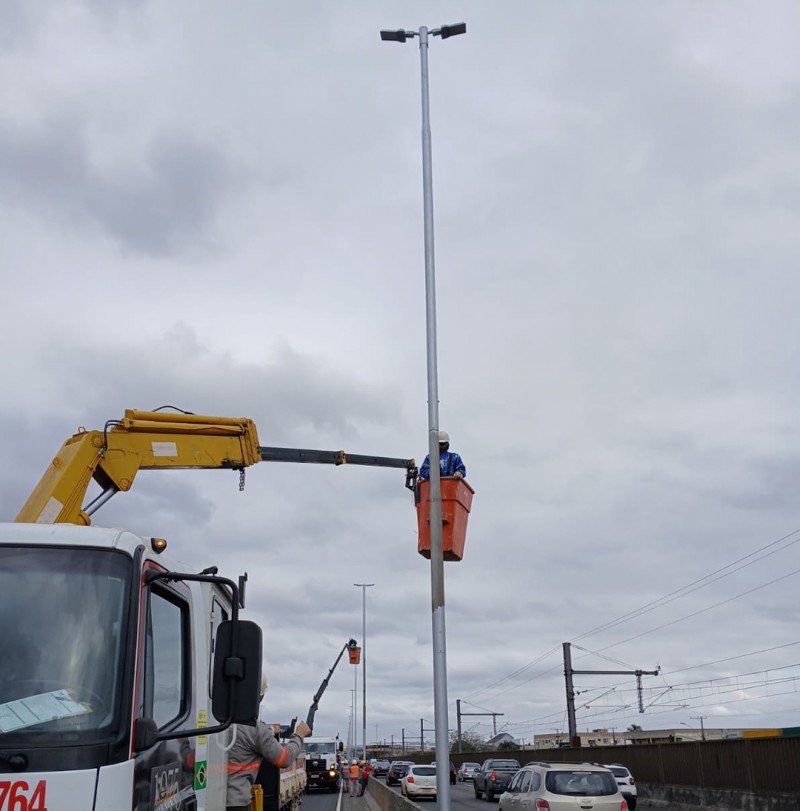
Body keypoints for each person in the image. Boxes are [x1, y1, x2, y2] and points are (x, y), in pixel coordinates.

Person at [225, 673, 311, 811]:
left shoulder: (211, 724)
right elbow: (284, 758)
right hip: (236, 803)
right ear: (259, 697)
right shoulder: (254, 729)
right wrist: (299, 735)